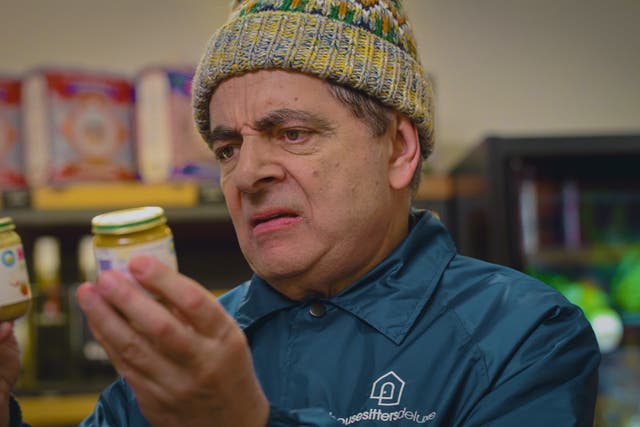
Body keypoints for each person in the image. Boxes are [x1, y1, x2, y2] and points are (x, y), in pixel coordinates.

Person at [2, 0, 601, 426]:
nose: (247, 174)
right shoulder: (187, 346)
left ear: (398, 149)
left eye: (291, 133)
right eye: (227, 148)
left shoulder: (524, 334)